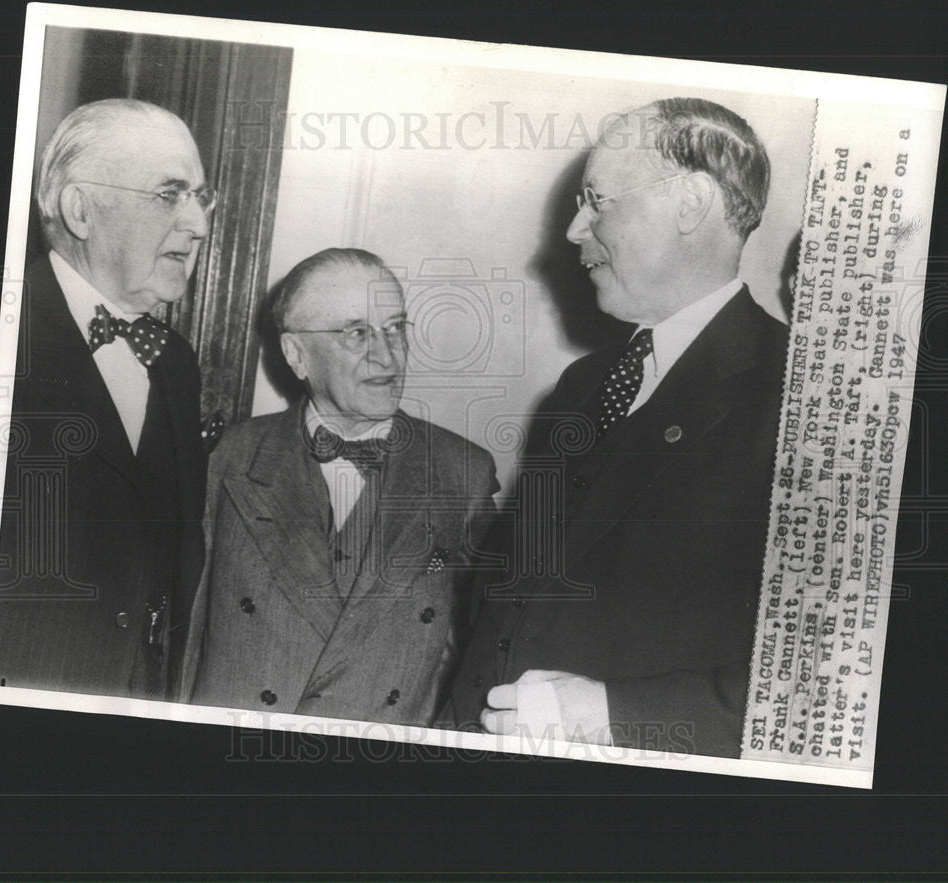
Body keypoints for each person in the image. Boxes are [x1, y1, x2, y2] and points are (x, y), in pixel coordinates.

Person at [453, 97, 790, 757]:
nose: (575, 229)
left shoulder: (800, 397)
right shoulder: (581, 387)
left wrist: (609, 714)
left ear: (691, 203)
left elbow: (825, 689)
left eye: (598, 201)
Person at [181, 248, 499, 726]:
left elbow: (485, 653)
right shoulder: (227, 458)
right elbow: (182, 637)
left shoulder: (461, 473)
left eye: (395, 328)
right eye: (357, 333)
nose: (387, 355)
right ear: (296, 354)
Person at [0, 98, 212, 699]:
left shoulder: (177, 364)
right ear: (80, 210)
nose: (199, 226)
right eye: (169, 194)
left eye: (199, 197)